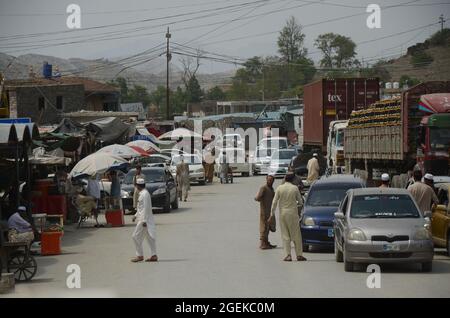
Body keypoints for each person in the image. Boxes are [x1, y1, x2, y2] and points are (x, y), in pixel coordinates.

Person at [269, 172, 307, 262]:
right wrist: (297, 206)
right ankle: (299, 255)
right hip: (293, 214)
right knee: (296, 235)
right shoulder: (294, 188)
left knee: (285, 235)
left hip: (283, 214)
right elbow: (300, 202)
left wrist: (272, 214)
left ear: (285, 179)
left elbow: (274, 202)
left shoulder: (279, 188)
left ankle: (288, 255)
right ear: (293, 180)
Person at [131, 178, 157, 262]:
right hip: (143, 219)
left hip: (144, 220)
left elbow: (146, 208)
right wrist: (135, 215)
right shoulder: (142, 193)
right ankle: (154, 255)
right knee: (149, 237)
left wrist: (144, 221)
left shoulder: (145, 194)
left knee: (135, 236)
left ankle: (139, 255)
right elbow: (140, 208)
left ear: (138, 186)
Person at [255, 174, 276, 250]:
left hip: (270, 211)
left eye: (271, 180)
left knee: (268, 227)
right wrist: (259, 198)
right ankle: (262, 244)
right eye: (268, 180)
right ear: (266, 180)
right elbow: (257, 198)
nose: (269, 181)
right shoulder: (263, 188)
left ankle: (266, 242)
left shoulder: (271, 188)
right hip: (264, 212)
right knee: (264, 227)